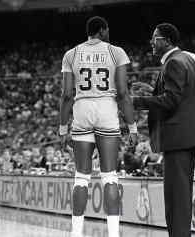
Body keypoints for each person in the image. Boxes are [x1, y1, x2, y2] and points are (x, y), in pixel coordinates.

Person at [59, 16, 138, 237]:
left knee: (81, 178)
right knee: (110, 176)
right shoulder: (116, 52)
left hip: (82, 109)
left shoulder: (71, 54)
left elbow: (66, 95)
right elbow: (122, 93)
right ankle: (113, 234)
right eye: (108, 30)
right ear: (102, 31)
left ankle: (76, 233)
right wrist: (132, 126)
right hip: (106, 109)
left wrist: (63, 129)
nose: (109, 33)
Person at [131, 23, 195, 236]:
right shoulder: (187, 58)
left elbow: (172, 99)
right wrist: (151, 91)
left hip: (177, 136)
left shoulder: (173, 62)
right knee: (179, 193)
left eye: (155, 38)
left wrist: (136, 101)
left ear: (168, 41)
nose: (152, 41)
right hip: (186, 135)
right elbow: (179, 94)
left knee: (177, 195)